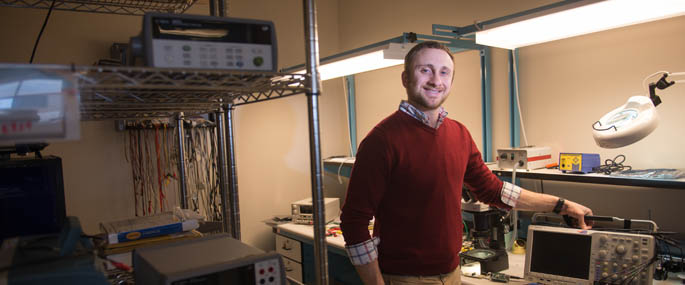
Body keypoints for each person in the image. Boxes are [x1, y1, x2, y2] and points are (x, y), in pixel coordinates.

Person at [339, 41, 594, 285]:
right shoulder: (382, 140)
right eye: (424, 70)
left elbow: (494, 190)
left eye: (444, 72)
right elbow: (354, 222)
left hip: (452, 273)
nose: (435, 80)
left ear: (451, 81)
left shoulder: (458, 133)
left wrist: (561, 205)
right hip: (404, 277)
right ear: (406, 79)